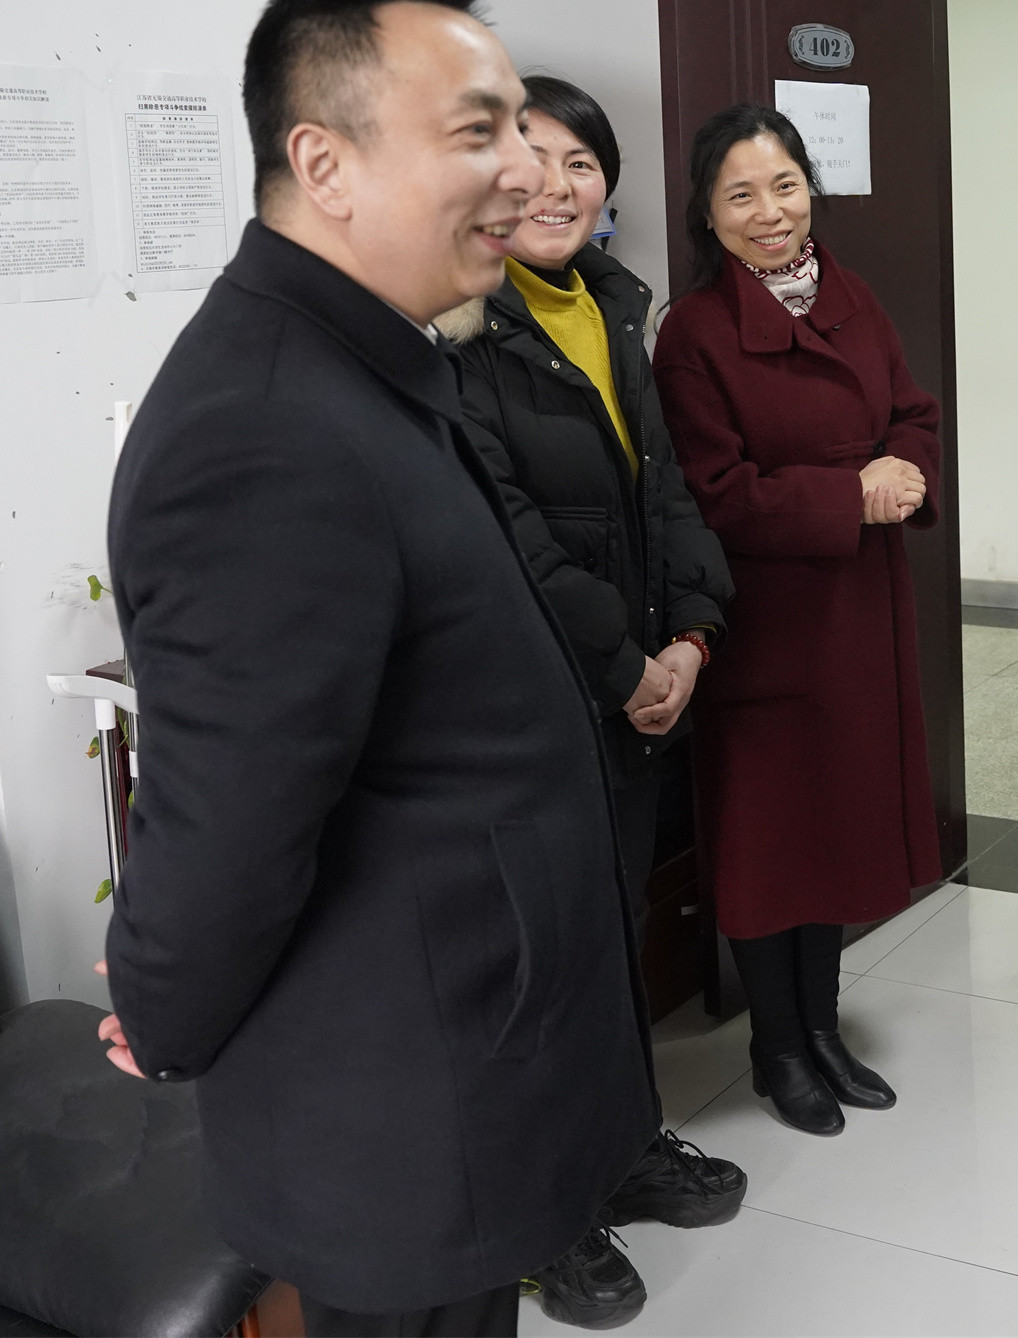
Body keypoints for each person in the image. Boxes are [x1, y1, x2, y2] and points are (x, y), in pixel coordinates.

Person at [96, 0, 655, 1338]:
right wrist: (164, 1000)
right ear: (323, 163)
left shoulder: (375, 361)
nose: (526, 169)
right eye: (478, 130)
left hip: (463, 1044)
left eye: (521, 125)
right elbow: (231, 806)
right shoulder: (265, 425)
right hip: (398, 1103)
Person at [444, 75, 744, 1328]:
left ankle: (620, 1147)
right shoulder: (462, 323)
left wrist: (691, 632)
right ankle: (543, 1212)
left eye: (582, 162)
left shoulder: (613, 304)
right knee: (540, 959)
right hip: (537, 701)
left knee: (612, 930)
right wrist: (626, 667)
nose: (555, 185)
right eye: (533, 157)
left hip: (634, 688)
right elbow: (507, 530)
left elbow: (664, 489)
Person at [652, 104, 944, 1138]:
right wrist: (845, 496)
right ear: (707, 213)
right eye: (741, 195)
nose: (770, 212)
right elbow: (712, 493)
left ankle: (822, 1028)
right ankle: (776, 1047)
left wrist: (907, 465)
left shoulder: (851, 296)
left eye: (784, 186)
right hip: (766, 624)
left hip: (859, 613)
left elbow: (911, 410)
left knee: (837, 830)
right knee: (768, 845)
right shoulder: (693, 333)